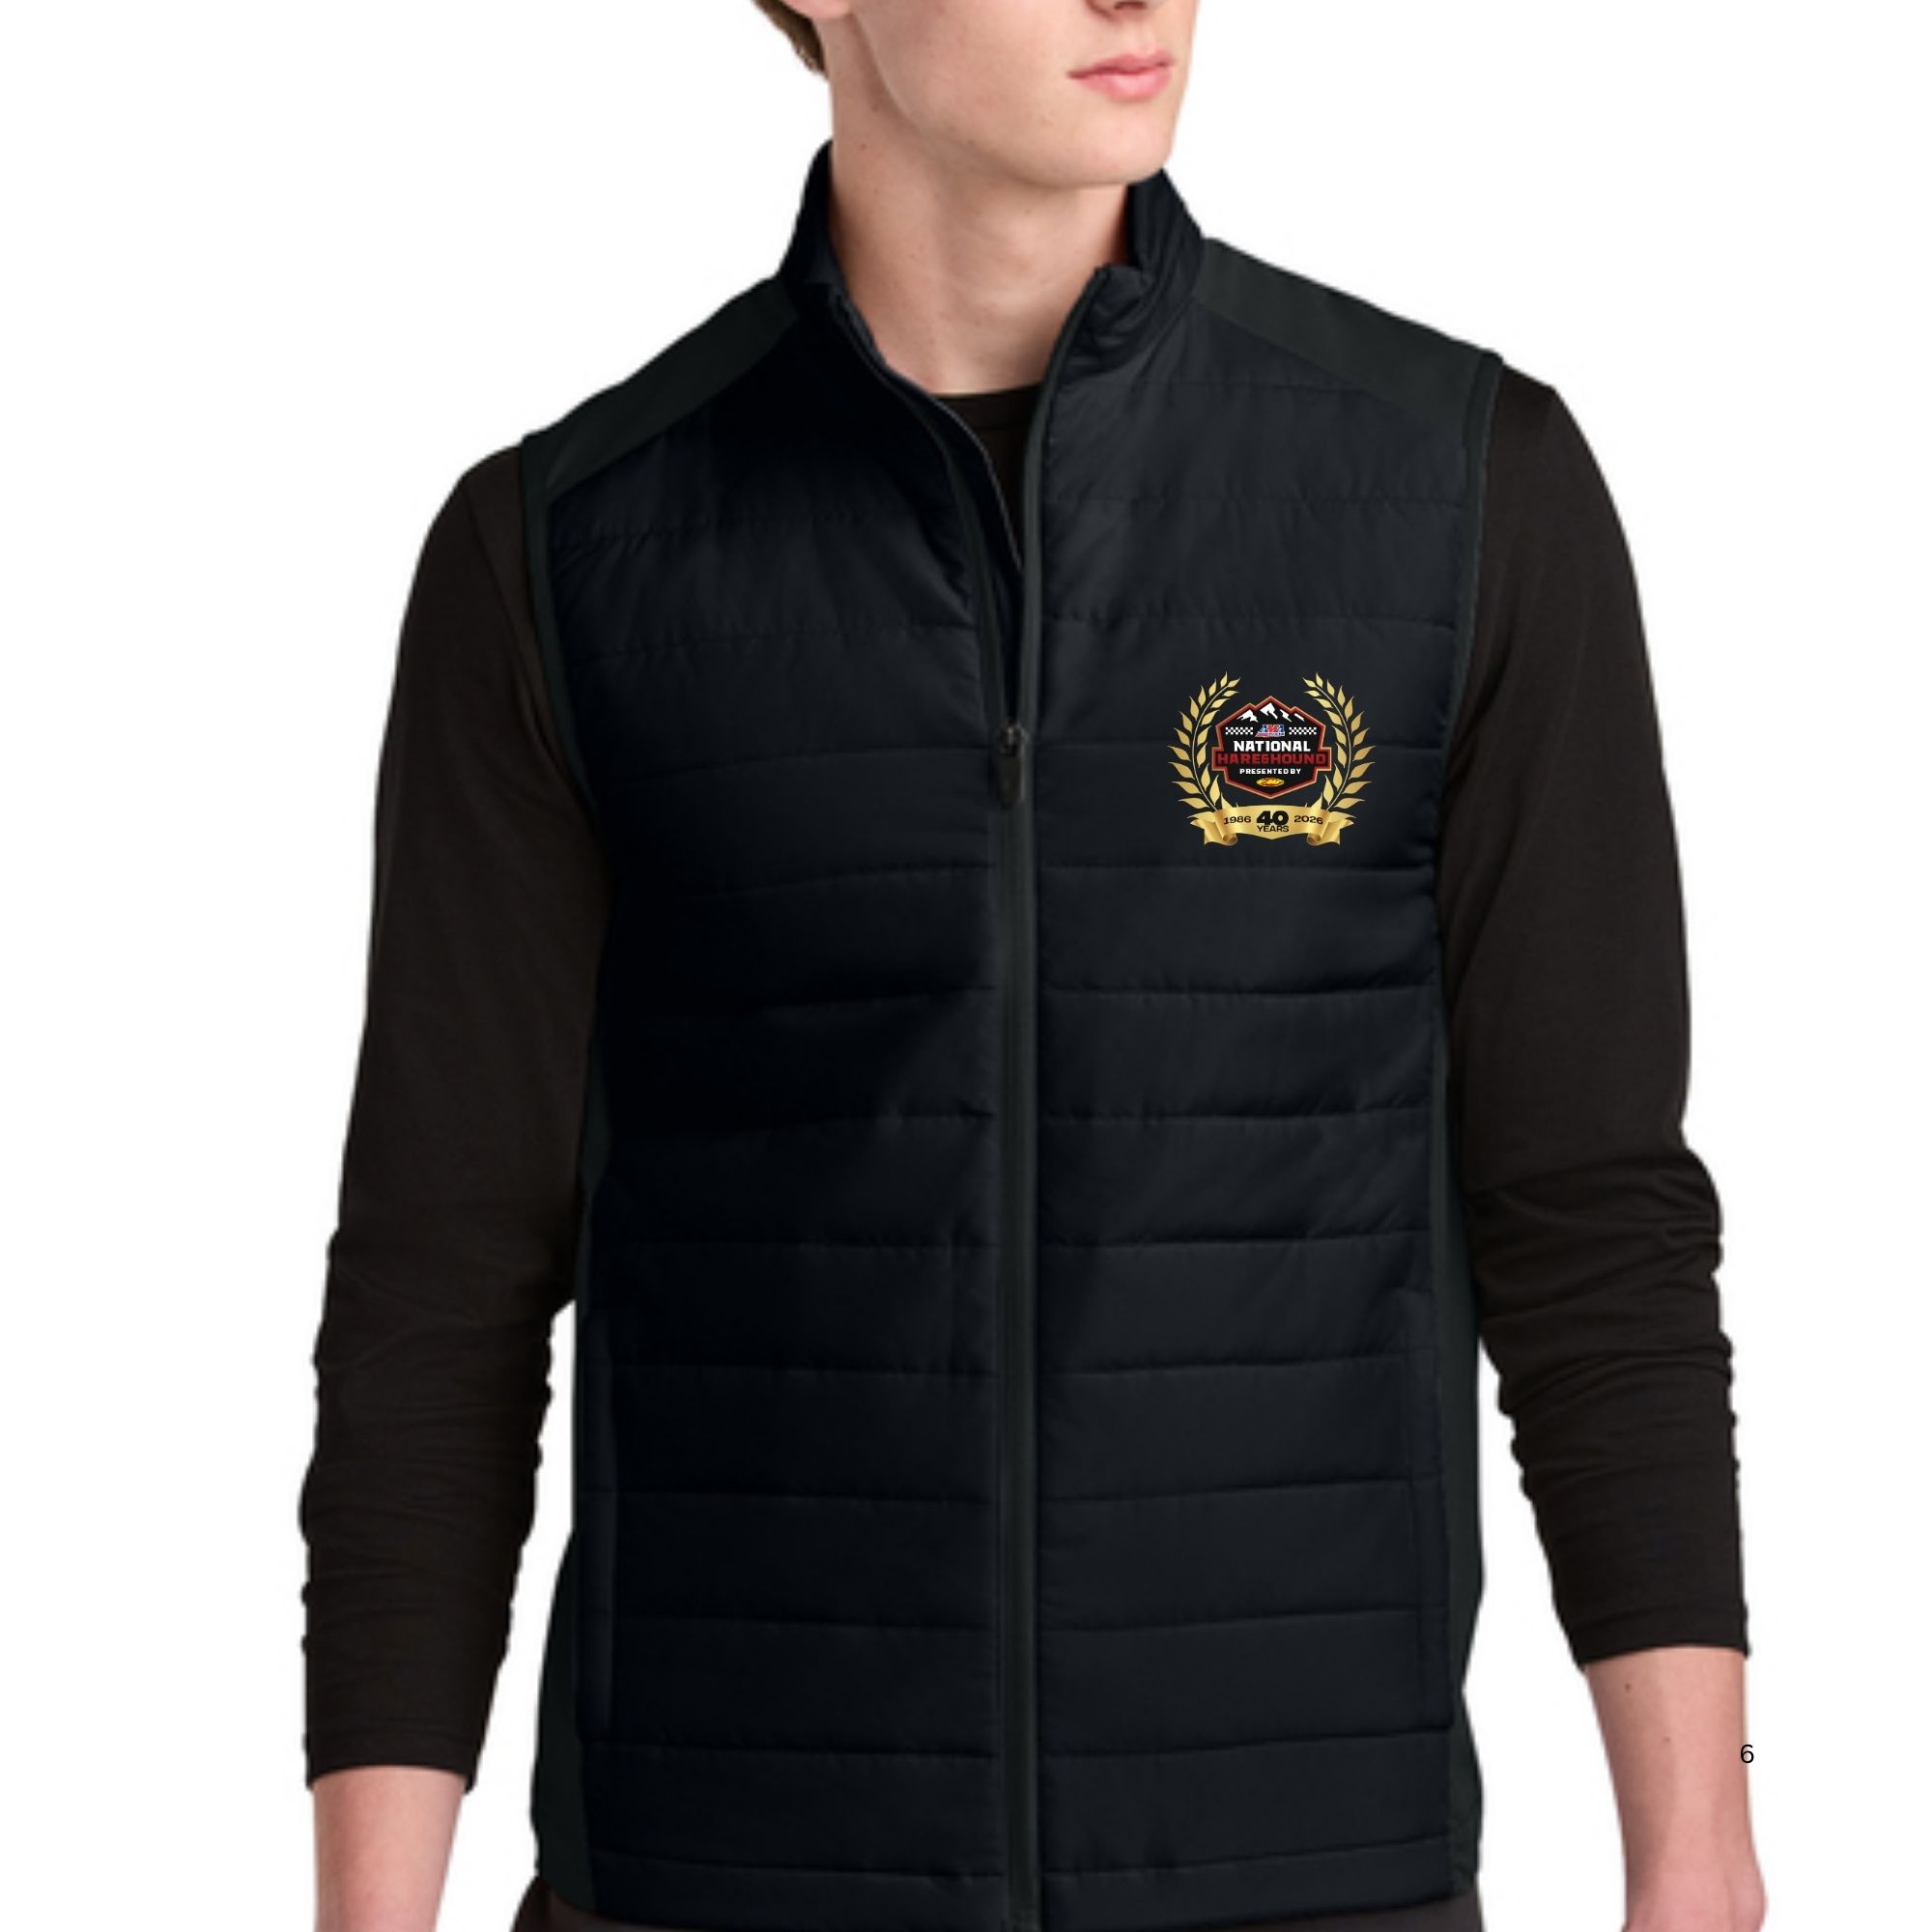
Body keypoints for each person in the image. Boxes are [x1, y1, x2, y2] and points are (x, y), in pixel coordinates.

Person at [299, 4, 1766, 1930]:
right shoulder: (569, 555)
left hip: (1303, 1875)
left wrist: (1694, 1863)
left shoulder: (1463, 491)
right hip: (719, 1874)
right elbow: (442, 1289)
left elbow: (1588, 1217)